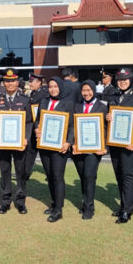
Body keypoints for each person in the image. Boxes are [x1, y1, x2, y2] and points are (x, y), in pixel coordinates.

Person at [106, 68, 133, 224]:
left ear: (131, 81)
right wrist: (107, 117)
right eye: (120, 80)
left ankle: (127, 210)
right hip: (116, 142)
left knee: (128, 176)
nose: (122, 82)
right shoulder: (113, 98)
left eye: (125, 80)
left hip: (131, 144)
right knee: (119, 174)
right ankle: (123, 205)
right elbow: (108, 119)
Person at [0, 68, 33, 214]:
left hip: (20, 143)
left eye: (13, 81)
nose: (10, 84)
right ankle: (5, 201)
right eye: (7, 81)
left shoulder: (25, 100)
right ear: (3, 83)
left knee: (20, 172)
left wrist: (26, 138)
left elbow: (29, 122)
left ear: (17, 82)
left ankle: (20, 202)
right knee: (5, 171)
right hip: (3, 143)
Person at [34, 76, 74, 223]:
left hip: (59, 147)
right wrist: (36, 129)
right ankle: (54, 203)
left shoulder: (68, 103)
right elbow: (38, 120)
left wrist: (68, 142)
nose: (53, 89)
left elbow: (72, 125)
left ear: (61, 87)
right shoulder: (44, 101)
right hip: (45, 145)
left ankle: (58, 210)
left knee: (57, 176)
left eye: (55, 86)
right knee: (49, 175)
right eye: (50, 86)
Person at [71, 80, 108, 220]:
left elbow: (106, 129)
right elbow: (73, 127)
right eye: (84, 90)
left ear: (93, 90)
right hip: (79, 149)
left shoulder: (102, 107)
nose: (86, 93)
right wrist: (73, 143)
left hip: (94, 149)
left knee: (89, 176)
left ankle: (89, 207)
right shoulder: (77, 106)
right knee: (83, 177)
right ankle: (85, 202)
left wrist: (104, 147)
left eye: (89, 90)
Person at [25, 73, 49, 181]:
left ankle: (50, 174)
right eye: (29, 81)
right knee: (31, 150)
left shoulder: (43, 93)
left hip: (41, 126)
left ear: (39, 82)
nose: (30, 84)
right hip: (33, 126)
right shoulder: (34, 93)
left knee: (45, 153)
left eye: (31, 81)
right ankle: (25, 173)